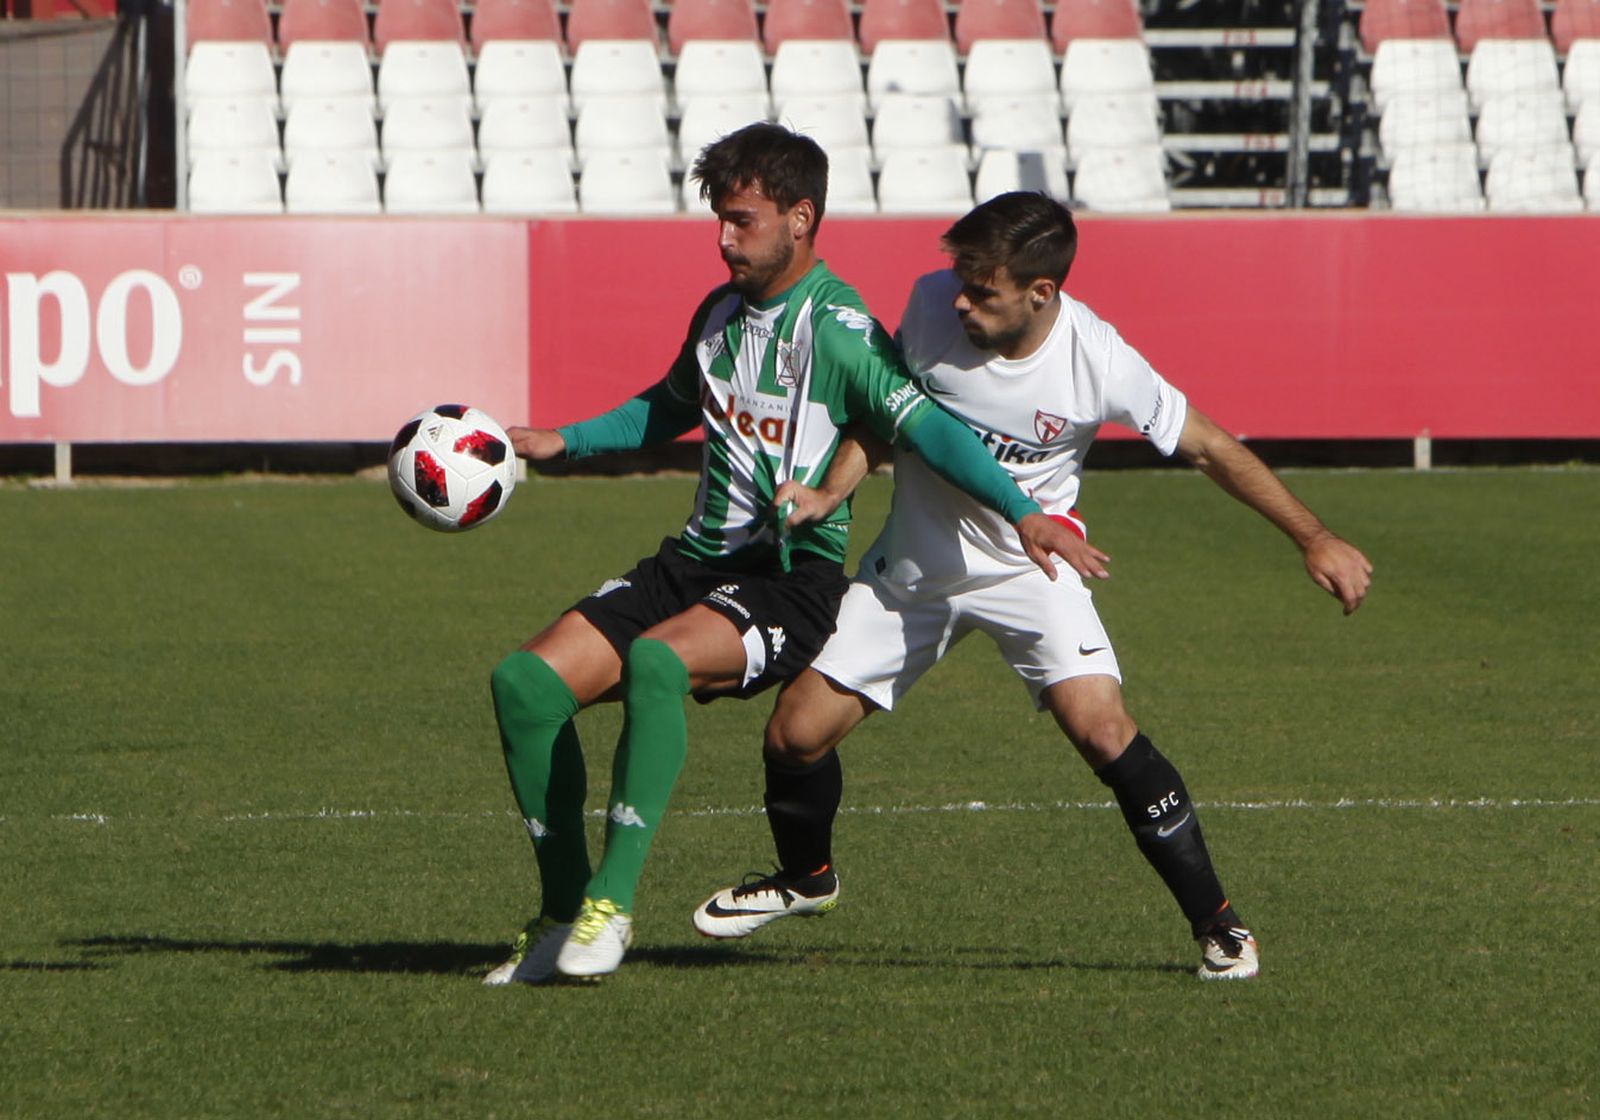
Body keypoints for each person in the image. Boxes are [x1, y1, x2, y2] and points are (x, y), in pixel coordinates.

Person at [691, 191, 1374, 980]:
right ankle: (806, 878)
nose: (961, 302)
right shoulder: (928, 305)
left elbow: (1211, 448)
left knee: (1105, 731)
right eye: (961, 283)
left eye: (983, 292)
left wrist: (1314, 537)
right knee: (793, 735)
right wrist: (828, 492)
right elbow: (885, 417)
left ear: (1041, 293)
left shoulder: (1098, 360)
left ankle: (1220, 925)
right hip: (912, 573)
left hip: (1034, 567)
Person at [482, 129, 1086, 984]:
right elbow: (671, 404)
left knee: (657, 662)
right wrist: (565, 440)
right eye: (720, 220)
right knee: (524, 686)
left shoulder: (838, 330)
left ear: (801, 219)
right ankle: (560, 912)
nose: (723, 239)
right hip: (691, 564)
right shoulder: (718, 314)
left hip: (788, 581)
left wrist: (1025, 512)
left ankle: (609, 909)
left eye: (742, 220)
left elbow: (928, 428)